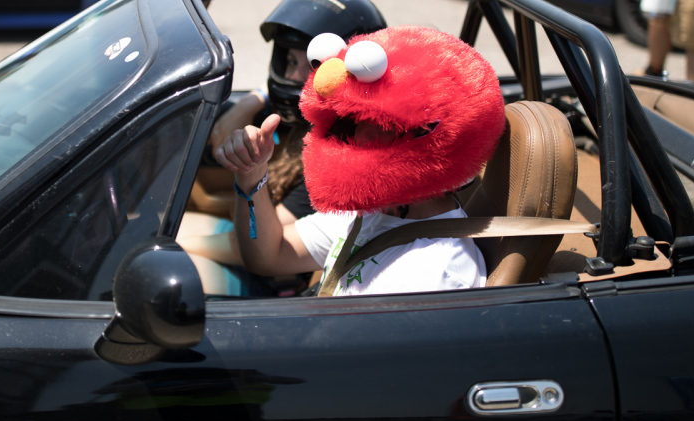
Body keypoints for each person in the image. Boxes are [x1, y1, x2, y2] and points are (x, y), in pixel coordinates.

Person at [215, 25, 506, 297]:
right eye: (353, 120)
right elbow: (269, 255)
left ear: (429, 133)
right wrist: (252, 175)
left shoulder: (436, 271)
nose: (359, 134)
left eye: (379, 122)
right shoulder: (369, 212)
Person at [177, 0, 387, 294]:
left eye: (310, 65)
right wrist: (258, 97)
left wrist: (171, 245)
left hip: (274, 278)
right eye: (289, 61)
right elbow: (221, 136)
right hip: (253, 243)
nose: (292, 77)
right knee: (143, 227)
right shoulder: (296, 125)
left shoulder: (332, 154)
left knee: (150, 251)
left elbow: (255, 246)